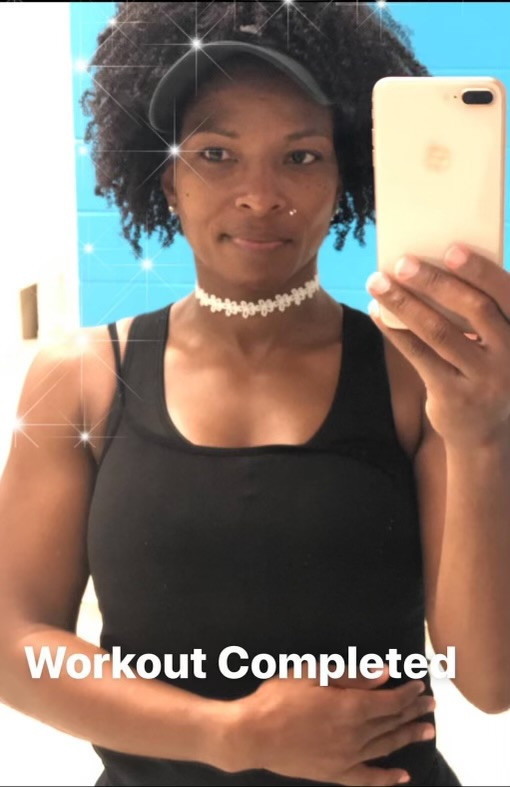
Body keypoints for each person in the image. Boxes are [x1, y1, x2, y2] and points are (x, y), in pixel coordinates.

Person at [1, 2, 509, 786]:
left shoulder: (418, 378)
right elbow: (14, 644)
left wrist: (481, 436)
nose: (260, 195)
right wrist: (232, 734)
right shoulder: (82, 378)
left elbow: (488, 679)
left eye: (301, 156)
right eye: (215, 153)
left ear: (345, 177)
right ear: (167, 177)